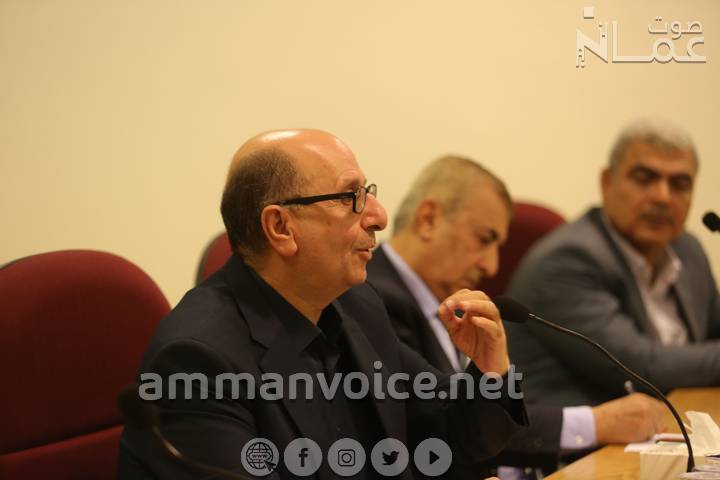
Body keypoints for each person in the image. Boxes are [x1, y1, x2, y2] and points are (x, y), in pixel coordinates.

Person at [117, 129, 527, 480]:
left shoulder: (357, 305)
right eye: (350, 197)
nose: (379, 216)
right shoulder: (196, 362)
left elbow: (448, 432)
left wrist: (490, 371)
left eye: (367, 193)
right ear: (281, 227)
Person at [367, 155, 667, 479]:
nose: (491, 266)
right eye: (484, 239)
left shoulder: (441, 300)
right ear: (428, 220)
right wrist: (598, 423)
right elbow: (441, 427)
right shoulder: (371, 303)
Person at [506, 119, 720, 409]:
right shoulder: (568, 259)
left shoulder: (687, 249)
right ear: (607, 182)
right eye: (644, 179)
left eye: (679, 184)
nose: (662, 197)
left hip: (670, 420)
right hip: (580, 431)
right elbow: (641, 368)